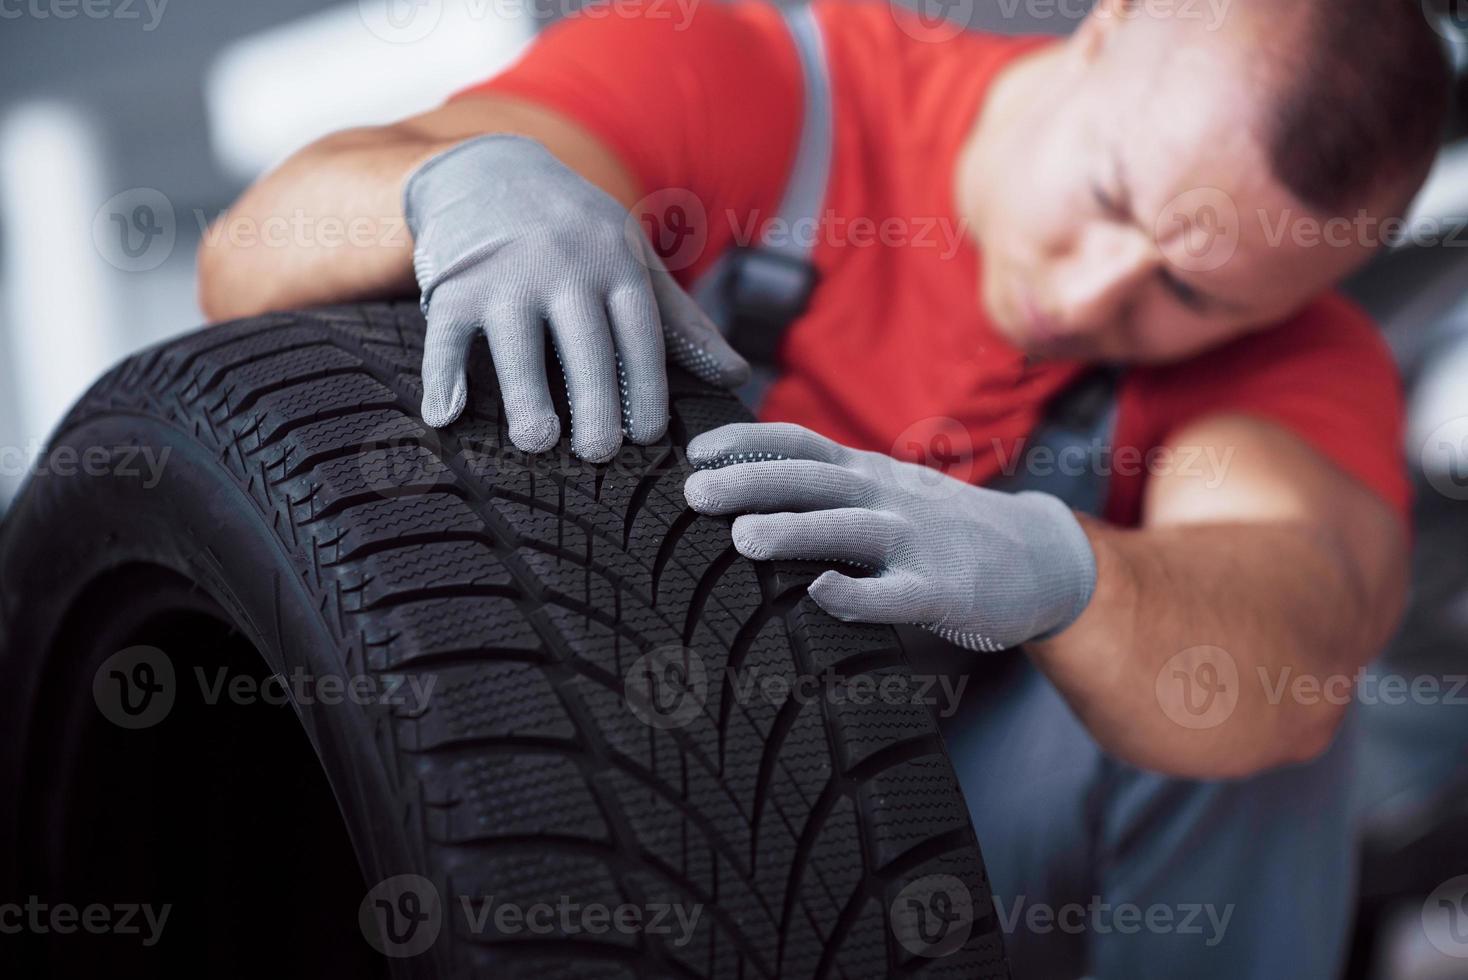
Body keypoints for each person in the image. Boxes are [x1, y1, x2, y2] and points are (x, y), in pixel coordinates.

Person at [196, 0, 1452, 974]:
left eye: (1193, 292)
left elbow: (1295, 602)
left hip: (929, 856)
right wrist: (451, 186)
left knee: (1259, 717)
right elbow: (247, 261)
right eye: (1110, 196)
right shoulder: (769, 90)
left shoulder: (1287, 358)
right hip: (547, 783)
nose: (1087, 296)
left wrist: (1064, 574)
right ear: (1109, 23)